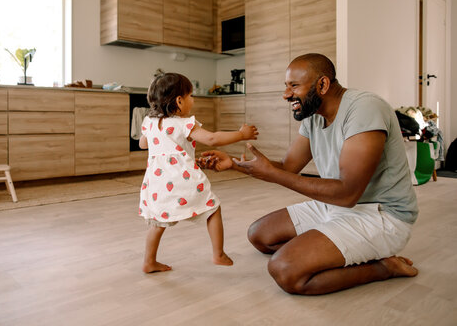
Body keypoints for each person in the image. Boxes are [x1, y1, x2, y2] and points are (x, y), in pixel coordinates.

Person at [201, 53, 419, 295]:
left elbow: (347, 193)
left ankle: (384, 268)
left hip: (381, 215)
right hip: (334, 205)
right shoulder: (313, 116)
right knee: (260, 236)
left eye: (294, 86)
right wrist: (232, 164)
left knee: (286, 270)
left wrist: (273, 175)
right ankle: (332, 245)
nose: (286, 94)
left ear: (323, 85)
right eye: (286, 86)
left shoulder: (364, 108)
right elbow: (287, 167)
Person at [139, 72, 259, 273]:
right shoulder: (183, 123)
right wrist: (241, 134)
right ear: (179, 101)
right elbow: (212, 139)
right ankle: (218, 254)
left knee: (158, 222)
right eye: (191, 96)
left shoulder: (149, 123)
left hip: (158, 183)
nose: (192, 100)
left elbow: (144, 144)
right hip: (182, 181)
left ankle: (149, 262)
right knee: (212, 208)